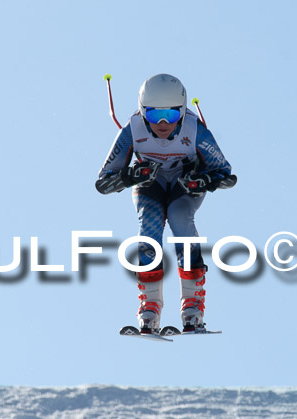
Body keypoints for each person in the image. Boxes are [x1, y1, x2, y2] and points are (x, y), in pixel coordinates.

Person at [96, 73, 236, 334]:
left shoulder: (195, 130)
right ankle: (150, 306)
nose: (162, 124)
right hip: (150, 184)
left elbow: (226, 173)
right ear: (141, 111)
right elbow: (104, 181)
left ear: (182, 113)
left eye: (171, 116)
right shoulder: (133, 129)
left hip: (185, 183)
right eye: (153, 115)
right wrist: (130, 175)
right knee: (149, 227)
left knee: (181, 218)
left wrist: (202, 180)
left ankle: (193, 306)